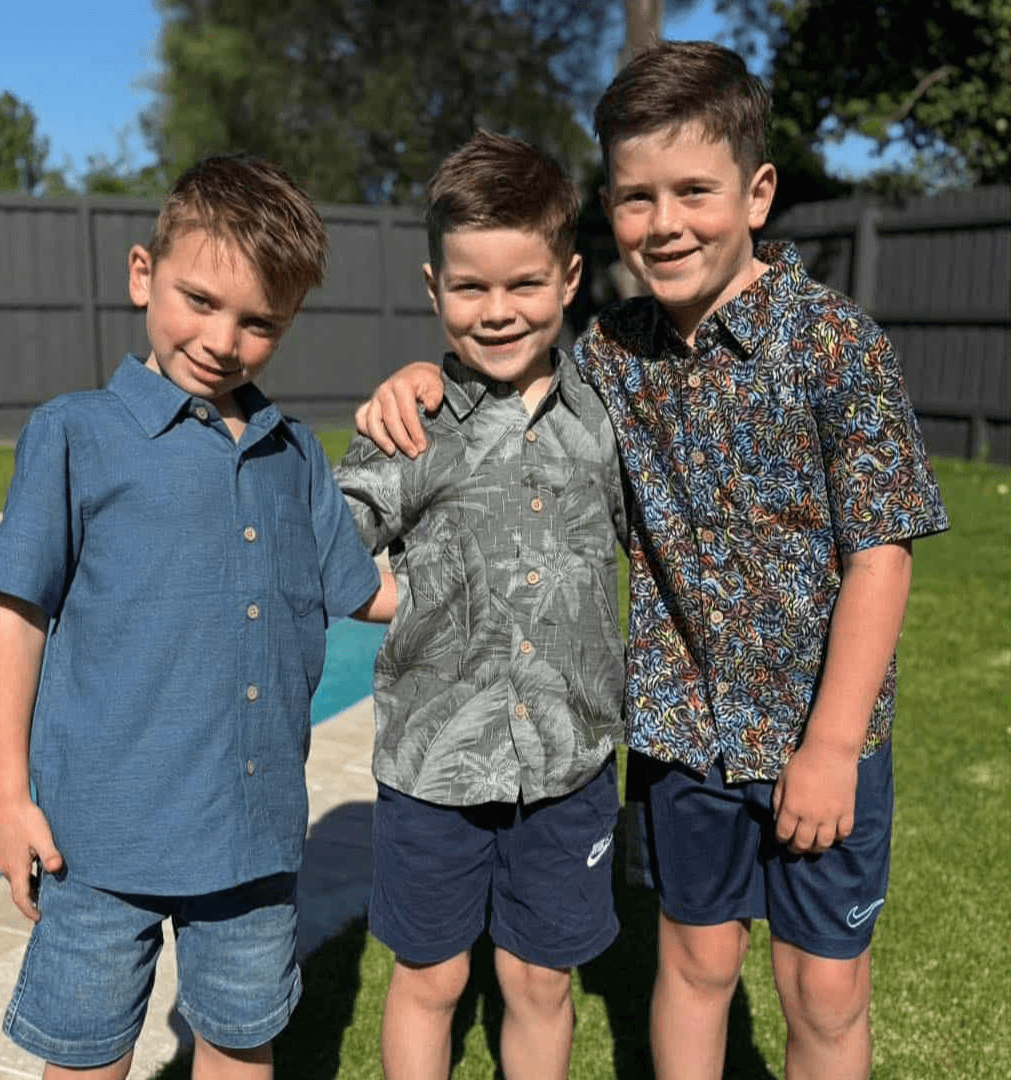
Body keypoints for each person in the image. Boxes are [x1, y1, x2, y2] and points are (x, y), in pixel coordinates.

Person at [352, 42, 950, 1080]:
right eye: (636, 197)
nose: (665, 222)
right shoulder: (611, 355)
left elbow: (881, 557)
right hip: (682, 735)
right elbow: (507, 372)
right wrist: (421, 374)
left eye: (694, 191)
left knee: (825, 987)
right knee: (695, 960)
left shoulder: (837, 346)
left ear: (758, 192)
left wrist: (830, 746)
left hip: (822, 731)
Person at [0, 153, 396, 1080]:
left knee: (242, 1046)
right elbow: (17, 619)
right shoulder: (75, 434)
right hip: (98, 840)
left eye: (258, 323)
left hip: (250, 838)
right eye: (198, 300)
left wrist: (479, 544)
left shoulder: (294, 456)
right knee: (85, 1058)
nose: (222, 338)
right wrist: (7, 800)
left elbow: (366, 592)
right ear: (142, 274)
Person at [333, 130, 628, 1080]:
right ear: (433, 289)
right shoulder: (406, 424)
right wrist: (424, 596)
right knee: (430, 979)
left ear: (570, 277)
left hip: (570, 765)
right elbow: (329, 561)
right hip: (432, 770)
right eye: (469, 288)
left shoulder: (609, 416)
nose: (496, 312)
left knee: (541, 984)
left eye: (523, 285)